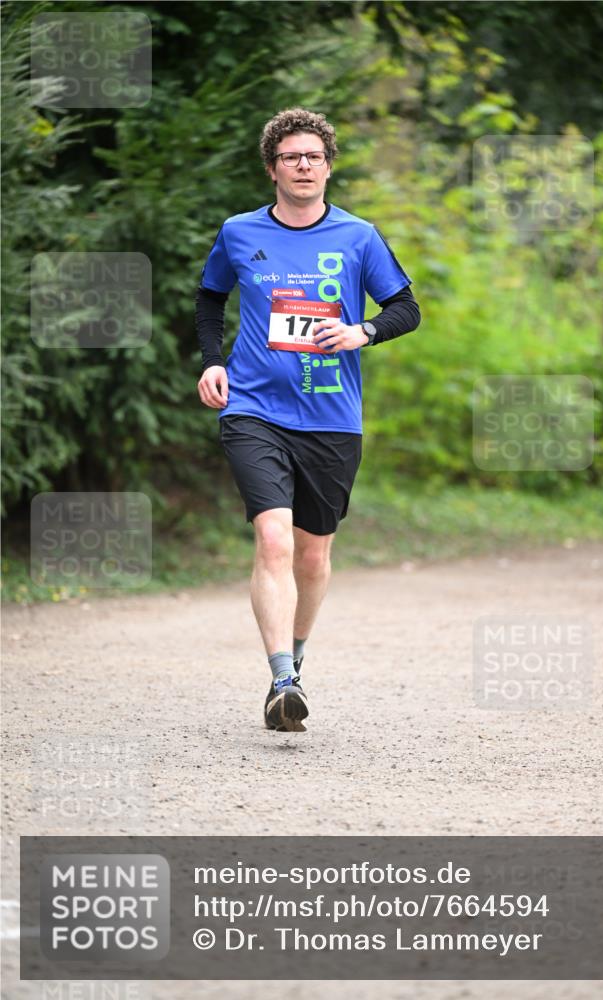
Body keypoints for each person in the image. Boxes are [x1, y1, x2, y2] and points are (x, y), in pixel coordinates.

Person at [196, 108, 420, 732]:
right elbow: (210, 298)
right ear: (272, 168)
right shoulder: (239, 232)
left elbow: (406, 307)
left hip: (331, 417)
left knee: (313, 557)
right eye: (292, 157)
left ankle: (295, 660)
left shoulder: (358, 236)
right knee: (273, 537)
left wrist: (362, 331)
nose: (303, 166)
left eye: (314, 157)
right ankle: (281, 681)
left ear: (328, 167)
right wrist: (213, 361)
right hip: (254, 409)